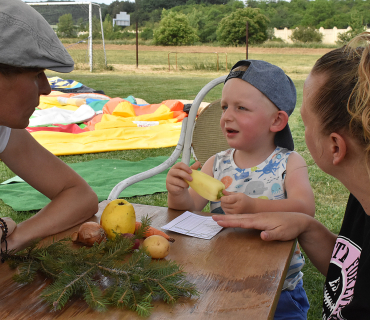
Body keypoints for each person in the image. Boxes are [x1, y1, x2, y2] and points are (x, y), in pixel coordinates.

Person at [213, 33, 370, 319]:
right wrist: (307, 227)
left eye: (307, 123)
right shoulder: (362, 198)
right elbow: (353, 267)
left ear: (335, 146)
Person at [166, 59, 315, 320]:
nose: (226, 116)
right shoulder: (216, 163)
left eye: (241, 108)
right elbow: (188, 208)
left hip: (279, 289)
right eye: (224, 107)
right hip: (223, 279)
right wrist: (177, 192)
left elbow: (306, 209)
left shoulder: (288, 163)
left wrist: (255, 207)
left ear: (277, 120)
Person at [0, 0, 98, 255]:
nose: (46, 88)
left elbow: (80, 196)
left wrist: (13, 239)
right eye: (35, 74)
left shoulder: (4, 130)